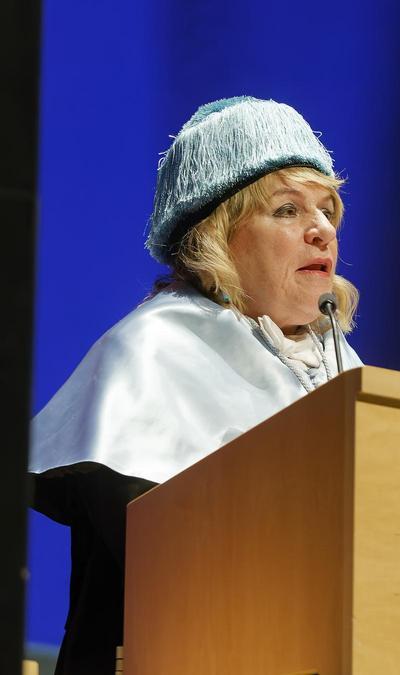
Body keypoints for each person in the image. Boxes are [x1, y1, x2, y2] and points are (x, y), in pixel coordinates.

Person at [28, 96, 363, 674]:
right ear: (215, 235)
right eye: (287, 210)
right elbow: (176, 570)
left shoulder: (342, 367)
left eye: (327, 210)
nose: (322, 231)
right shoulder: (153, 351)